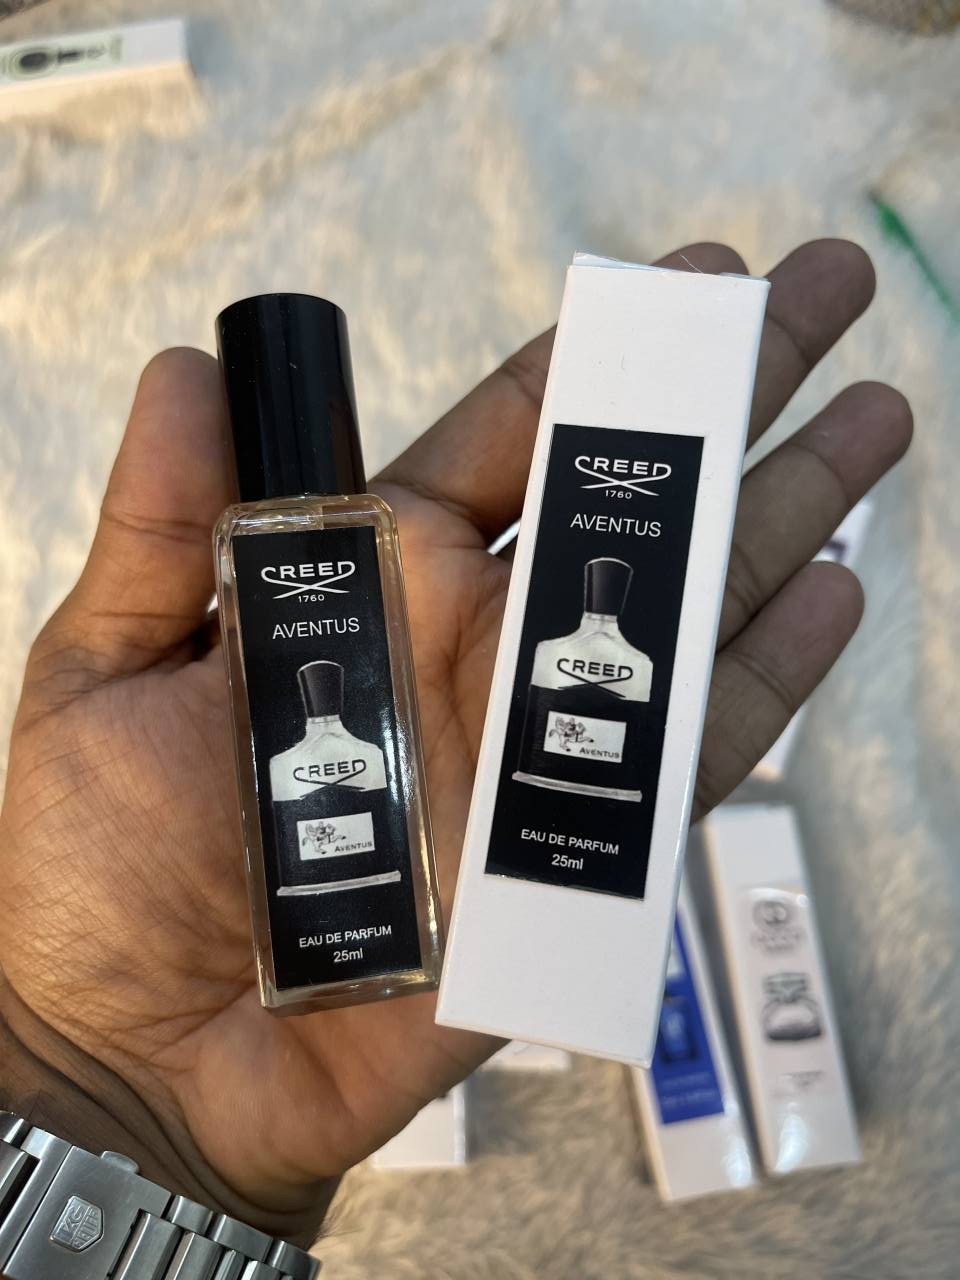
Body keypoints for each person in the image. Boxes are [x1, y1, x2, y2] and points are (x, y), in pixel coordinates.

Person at [0, 240, 911, 1248]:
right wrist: (91, 1071)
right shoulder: (260, 540)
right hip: (292, 962)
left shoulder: (365, 530)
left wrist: (97, 1090)